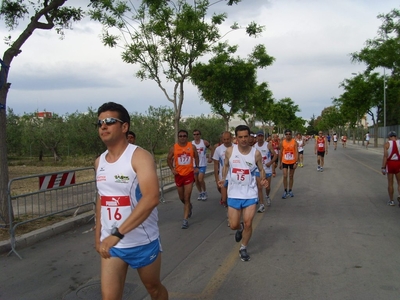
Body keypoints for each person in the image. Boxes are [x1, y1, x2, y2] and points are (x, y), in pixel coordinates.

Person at [94, 102, 168, 300]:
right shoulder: (99, 161)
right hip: (113, 245)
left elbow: (151, 198)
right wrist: (99, 235)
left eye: (109, 121)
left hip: (142, 241)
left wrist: (118, 233)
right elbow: (102, 198)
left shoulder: (140, 157)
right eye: (100, 122)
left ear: (124, 127)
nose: (103, 126)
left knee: (154, 289)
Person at [218, 125, 268, 262]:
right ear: (236, 138)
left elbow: (261, 168)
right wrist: (223, 179)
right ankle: (239, 229)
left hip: (250, 193)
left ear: (250, 137)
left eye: (246, 136)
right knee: (234, 225)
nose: (244, 139)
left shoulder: (255, 153)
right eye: (240, 137)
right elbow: (226, 166)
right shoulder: (230, 151)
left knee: (248, 222)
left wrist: (263, 180)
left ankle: (243, 248)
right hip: (234, 193)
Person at [167, 130, 199, 229]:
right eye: (180, 136)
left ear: (187, 137)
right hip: (179, 175)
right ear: (178, 137)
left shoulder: (192, 147)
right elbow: (168, 159)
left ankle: (185, 220)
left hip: (189, 174)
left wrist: (196, 166)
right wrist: (172, 169)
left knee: (187, 196)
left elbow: (196, 156)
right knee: (182, 198)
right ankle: (188, 205)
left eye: (184, 136)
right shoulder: (174, 148)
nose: (182, 137)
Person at [213, 131, 233, 226]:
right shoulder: (218, 149)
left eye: (228, 139)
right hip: (223, 177)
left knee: (231, 197)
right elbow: (216, 164)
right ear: (222, 139)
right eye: (224, 139)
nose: (226, 141)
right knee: (224, 199)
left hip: (233, 177)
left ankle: (231, 217)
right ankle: (228, 211)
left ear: (231, 138)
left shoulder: (236, 148)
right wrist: (217, 178)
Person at [254, 130, 277, 211]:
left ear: (263, 137)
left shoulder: (268, 145)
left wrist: (270, 163)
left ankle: (267, 196)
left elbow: (275, 155)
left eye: (261, 136)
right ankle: (261, 204)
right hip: (258, 170)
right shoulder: (254, 146)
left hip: (267, 170)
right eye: (258, 136)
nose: (260, 138)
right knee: (259, 187)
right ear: (256, 137)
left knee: (267, 187)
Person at [192, 129, 213, 201]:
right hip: (194, 164)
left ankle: (204, 191)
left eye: (197, 134)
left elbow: (212, 149)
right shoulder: (191, 144)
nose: (196, 136)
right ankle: (200, 192)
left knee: (200, 179)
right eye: (194, 134)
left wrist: (210, 157)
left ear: (200, 135)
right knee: (196, 180)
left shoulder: (204, 142)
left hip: (202, 164)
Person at [381, 131, 400, 206]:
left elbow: (385, 156)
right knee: (399, 182)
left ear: (389, 137)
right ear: (396, 136)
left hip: (390, 164)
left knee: (390, 183)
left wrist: (383, 167)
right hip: (398, 163)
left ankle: (391, 200)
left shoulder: (387, 144)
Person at [279, 129, 298, 198]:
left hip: (292, 161)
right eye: (286, 134)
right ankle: (285, 190)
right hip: (285, 161)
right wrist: (280, 162)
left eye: (289, 134)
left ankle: (290, 190)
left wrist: (296, 162)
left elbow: (296, 152)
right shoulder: (282, 142)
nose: (288, 135)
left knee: (291, 176)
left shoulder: (294, 142)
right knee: (285, 175)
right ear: (285, 135)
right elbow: (281, 153)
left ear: (291, 135)